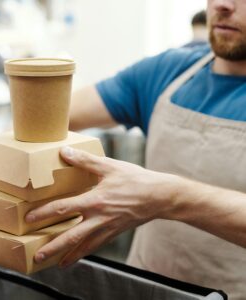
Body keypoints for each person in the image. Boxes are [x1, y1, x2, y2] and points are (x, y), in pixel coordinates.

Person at [25, 0, 246, 298]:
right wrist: (2, 194)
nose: (222, 4)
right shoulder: (168, 71)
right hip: (144, 286)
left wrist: (170, 197)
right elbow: (45, 120)